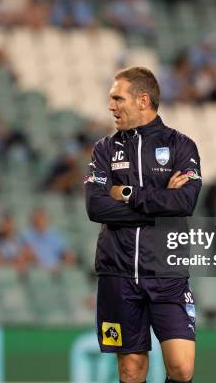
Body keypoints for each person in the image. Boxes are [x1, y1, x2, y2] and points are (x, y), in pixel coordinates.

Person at [85, 66, 201, 383]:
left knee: (181, 367)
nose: (111, 106)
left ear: (142, 100)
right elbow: (96, 206)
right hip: (117, 273)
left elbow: (184, 203)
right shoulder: (104, 150)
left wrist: (127, 195)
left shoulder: (182, 146)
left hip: (167, 272)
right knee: (131, 368)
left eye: (117, 98)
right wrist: (160, 203)